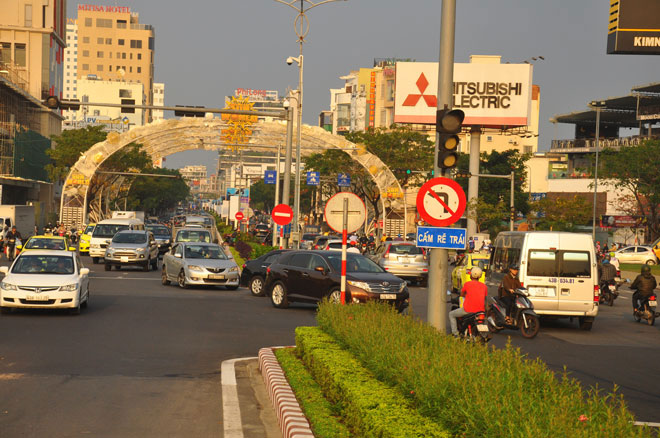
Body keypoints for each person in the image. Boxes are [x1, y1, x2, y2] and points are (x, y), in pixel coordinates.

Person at [449, 266, 487, 336]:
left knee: (451, 314)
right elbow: (484, 297)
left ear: (471, 275)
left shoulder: (467, 284)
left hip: (468, 310)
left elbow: (462, 295)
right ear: (480, 276)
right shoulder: (484, 286)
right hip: (480, 311)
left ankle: (455, 334)